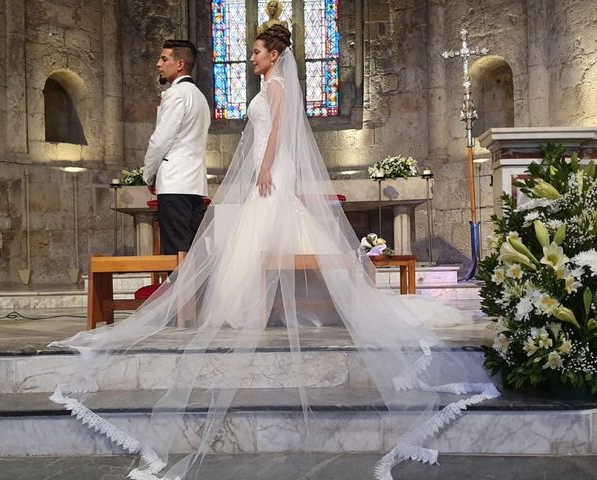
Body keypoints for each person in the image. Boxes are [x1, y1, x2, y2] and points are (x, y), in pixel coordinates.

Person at [51, 26, 499, 480]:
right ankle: (269, 303)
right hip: (266, 172)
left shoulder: (279, 85)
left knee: (267, 236)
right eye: (251, 53)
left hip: (274, 171)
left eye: (256, 52)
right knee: (256, 240)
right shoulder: (267, 85)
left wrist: (263, 171)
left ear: (274, 56)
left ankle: (279, 304)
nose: (251, 59)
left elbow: (280, 134)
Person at [143, 39, 210, 255]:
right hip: (194, 185)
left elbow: (160, 140)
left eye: (164, 59)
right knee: (192, 254)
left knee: (175, 256)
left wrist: (149, 175)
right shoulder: (200, 97)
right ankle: (195, 291)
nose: (158, 64)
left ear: (180, 64)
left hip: (174, 184)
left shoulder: (176, 94)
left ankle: (180, 291)